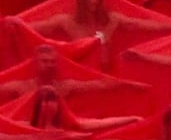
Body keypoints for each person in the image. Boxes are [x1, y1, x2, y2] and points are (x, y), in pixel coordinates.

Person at [9, 0, 171, 66]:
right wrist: (15, 23)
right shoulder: (67, 22)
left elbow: (146, 25)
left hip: (106, 71)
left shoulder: (112, 20)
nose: (93, 0)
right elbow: (37, 28)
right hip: (80, 73)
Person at [0, 45, 145, 101]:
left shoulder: (65, 87)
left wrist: (131, 85)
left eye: (52, 61)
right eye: (45, 61)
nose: (50, 65)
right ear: (36, 64)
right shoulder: (22, 87)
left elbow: (101, 85)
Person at [26, 86, 140, 133]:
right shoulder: (25, 128)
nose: (50, 105)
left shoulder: (66, 128)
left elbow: (100, 123)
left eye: (53, 101)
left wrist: (131, 119)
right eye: (46, 101)